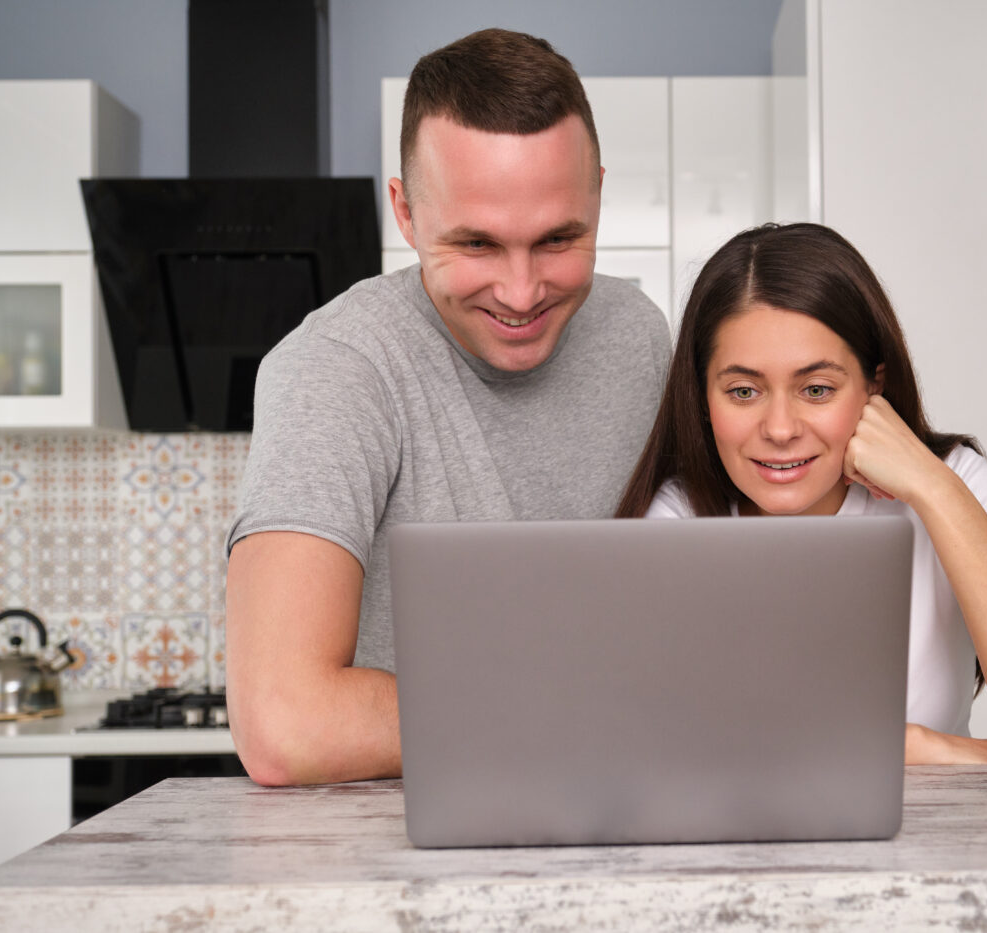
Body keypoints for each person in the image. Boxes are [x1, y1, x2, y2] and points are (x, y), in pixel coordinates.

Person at [225, 29, 672, 786]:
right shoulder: (339, 367)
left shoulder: (638, 332)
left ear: (598, 192)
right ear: (405, 213)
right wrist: (575, 713)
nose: (523, 292)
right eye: (477, 245)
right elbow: (282, 719)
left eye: (560, 237)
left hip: (610, 809)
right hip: (401, 852)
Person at [616, 223, 987, 769]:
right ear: (703, 395)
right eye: (743, 391)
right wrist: (916, 749)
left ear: (873, 386)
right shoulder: (677, 519)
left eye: (817, 389)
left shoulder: (949, 481)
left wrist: (932, 487)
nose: (780, 428)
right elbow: (673, 750)